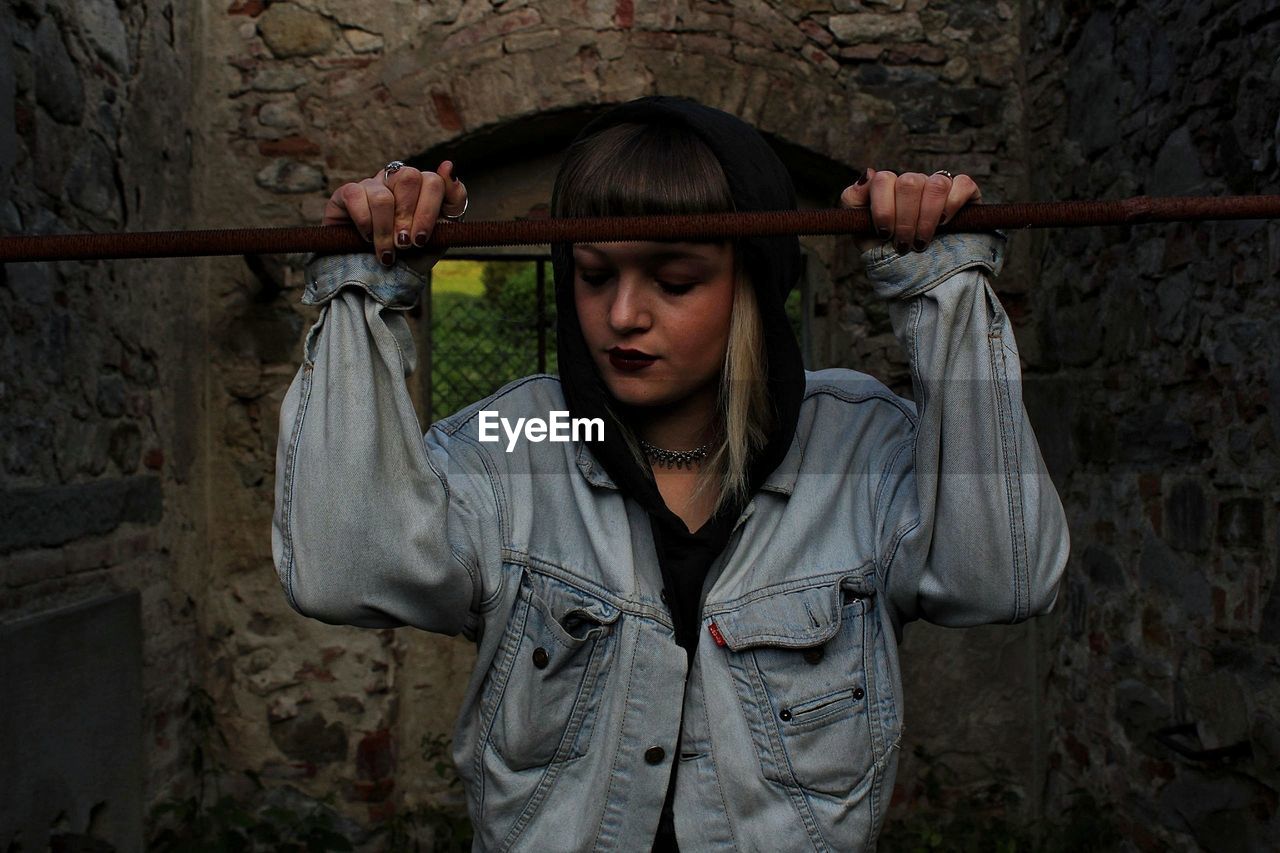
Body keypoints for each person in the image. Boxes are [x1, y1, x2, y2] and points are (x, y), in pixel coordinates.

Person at [272, 95, 1069, 851]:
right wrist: (363, 285)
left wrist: (947, 289)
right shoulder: (529, 436)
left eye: (675, 281)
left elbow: (1005, 577)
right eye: (593, 275)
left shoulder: (852, 447)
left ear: (752, 283)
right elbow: (345, 569)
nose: (622, 315)